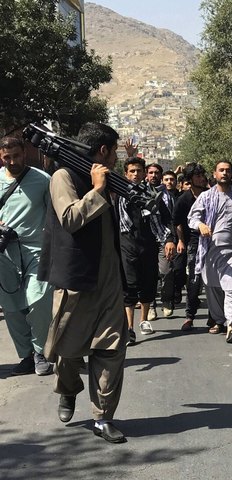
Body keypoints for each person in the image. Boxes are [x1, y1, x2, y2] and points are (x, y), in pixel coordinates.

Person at [39, 122, 128, 443]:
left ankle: (103, 417)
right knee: (67, 349)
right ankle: (67, 388)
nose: (117, 158)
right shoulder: (63, 176)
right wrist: (97, 190)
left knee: (111, 349)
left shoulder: (106, 179)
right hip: (76, 280)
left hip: (108, 281)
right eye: (115, 151)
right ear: (103, 150)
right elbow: (70, 218)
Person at [0, 137, 54, 376]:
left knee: (38, 300)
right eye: (7, 157)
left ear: (25, 153)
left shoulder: (42, 180)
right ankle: (26, 356)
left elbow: (55, 215)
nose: (13, 161)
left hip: (36, 250)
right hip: (5, 254)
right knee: (12, 308)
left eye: (17, 155)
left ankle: (41, 352)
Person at [188, 160, 232, 343]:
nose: (225, 173)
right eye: (221, 170)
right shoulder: (206, 197)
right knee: (213, 287)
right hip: (211, 250)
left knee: (231, 289)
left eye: (228, 170)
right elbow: (192, 218)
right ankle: (219, 320)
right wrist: (200, 225)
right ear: (215, 174)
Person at [117, 157, 174, 343]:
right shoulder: (119, 193)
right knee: (129, 285)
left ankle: (143, 320)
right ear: (126, 174)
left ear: (144, 173)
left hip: (149, 242)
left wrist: (170, 239)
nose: (135, 174)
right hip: (126, 242)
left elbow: (166, 218)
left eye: (138, 171)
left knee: (148, 282)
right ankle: (129, 328)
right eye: (132, 171)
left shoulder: (153, 195)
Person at [173, 163, 208, 331]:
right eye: (197, 176)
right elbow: (178, 222)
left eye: (203, 175)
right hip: (194, 243)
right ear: (190, 179)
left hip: (213, 242)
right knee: (194, 280)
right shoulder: (183, 200)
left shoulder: (211, 195)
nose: (201, 179)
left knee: (215, 282)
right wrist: (180, 241)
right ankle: (189, 316)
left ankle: (216, 317)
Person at [158, 170, 184, 317]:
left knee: (175, 270)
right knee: (161, 271)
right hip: (160, 237)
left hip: (177, 236)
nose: (169, 182)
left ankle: (172, 295)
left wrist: (180, 239)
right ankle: (155, 303)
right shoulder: (158, 196)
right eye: (166, 180)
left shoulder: (180, 197)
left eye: (171, 179)